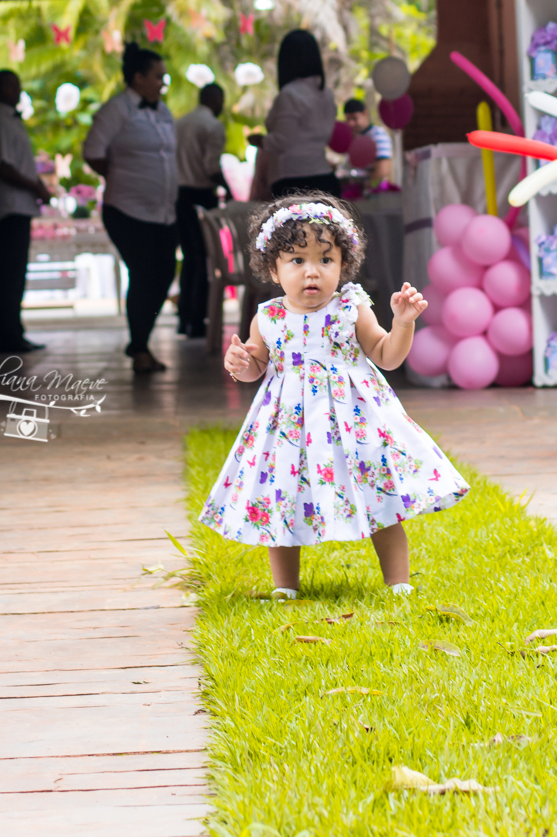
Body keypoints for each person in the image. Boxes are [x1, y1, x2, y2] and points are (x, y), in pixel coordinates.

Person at [199, 194, 469, 598]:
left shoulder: (352, 307)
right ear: (273, 268)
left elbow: (387, 356)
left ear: (343, 266)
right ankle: (285, 585)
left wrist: (403, 324)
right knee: (283, 493)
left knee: (379, 490)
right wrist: (240, 361)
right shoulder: (268, 316)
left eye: (326, 260)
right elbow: (256, 365)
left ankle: (398, 581)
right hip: (289, 424)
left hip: (354, 418)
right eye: (297, 261)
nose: (313, 272)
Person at [83, 43, 177, 375]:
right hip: (127, 209)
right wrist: (122, 175)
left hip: (163, 211)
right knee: (142, 275)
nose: (162, 83)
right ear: (137, 78)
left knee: (165, 272)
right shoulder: (117, 109)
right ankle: (139, 348)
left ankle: (140, 342)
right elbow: (92, 151)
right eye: (157, 77)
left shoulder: (162, 111)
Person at [0, 69, 51, 354]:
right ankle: (7, 335)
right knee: (10, 273)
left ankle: (15, 331)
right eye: (9, 85)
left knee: (17, 272)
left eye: (17, 84)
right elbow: (4, 167)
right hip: (9, 206)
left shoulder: (13, 122)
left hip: (20, 206)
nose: (15, 89)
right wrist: (34, 186)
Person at [249, 29, 338, 198]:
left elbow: (282, 141)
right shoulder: (326, 94)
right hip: (323, 176)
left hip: (294, 181)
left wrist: (260, 141)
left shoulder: (290, 94)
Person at [175, 82, 228, 339]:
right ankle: (198, 320)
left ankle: (184, 317)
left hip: (178, 195)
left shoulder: (179, 123)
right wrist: (227, 188)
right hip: (201, 196)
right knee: (205, 258)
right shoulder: (213, 126)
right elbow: (210, 166)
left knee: (189, 257)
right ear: (216, 100)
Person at [344, 98, 394, 184]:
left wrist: (368, 189)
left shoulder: (378, 135)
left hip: (372, 192)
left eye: (355, 118)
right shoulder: (351, 137)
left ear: (365, 114)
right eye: (348, 119)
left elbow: (383, 170)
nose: (351, 123)